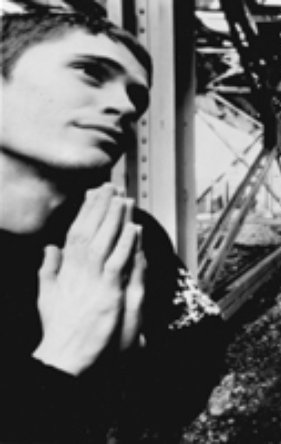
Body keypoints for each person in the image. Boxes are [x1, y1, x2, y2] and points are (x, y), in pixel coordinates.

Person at [0, 4, 225, 442]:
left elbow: (200, 358)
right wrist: (66, 355)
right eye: (89, 71)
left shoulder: (132, 233)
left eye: (138, 97)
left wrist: (130, 360)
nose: (126, 107)